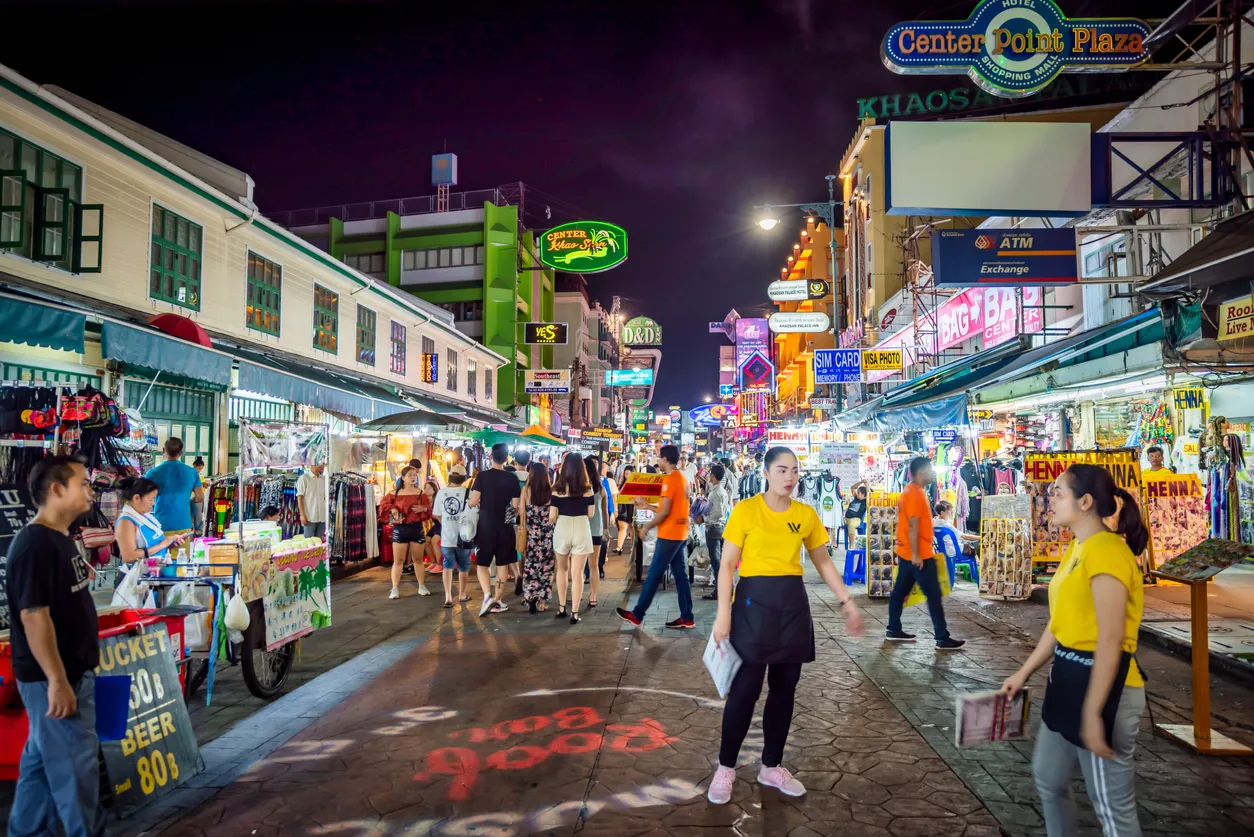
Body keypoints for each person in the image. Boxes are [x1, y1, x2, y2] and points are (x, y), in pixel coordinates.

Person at [706, 447, 864, 804]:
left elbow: (822, 562)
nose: (790, 477)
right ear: (765, 472)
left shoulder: (806, 515)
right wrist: (722, 614)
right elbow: (727, 565)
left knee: (784, 689)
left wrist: (847, 601)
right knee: (745, 690)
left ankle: (771, 766)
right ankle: (726, 768)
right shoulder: (746, 511)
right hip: (751, 605)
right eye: (782, 470)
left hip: (792, 605)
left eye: (794, 470)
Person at [1000, 464, 1150, 837]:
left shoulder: (1107, 551)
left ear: (1085, 502)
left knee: (1111, 808)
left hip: (1106, 687)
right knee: (1048, 778)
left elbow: (1111, 638)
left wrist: (1093, 710)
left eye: (1057, 493)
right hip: (1067, 678)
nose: (1049, 500)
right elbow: (1060, 623)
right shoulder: (1077, 547)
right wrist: (1024, 672)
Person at [5, 455, 106, 837]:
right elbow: (34, 616)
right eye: (83, 483)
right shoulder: (34, 545)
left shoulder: (60, 538)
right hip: (56, 679)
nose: (90, 491)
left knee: (40, 766)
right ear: (56, 489)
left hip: (70, 673)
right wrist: (57, 679)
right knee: (74, 773)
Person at [886, 457, 965, 650]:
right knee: (933, 594)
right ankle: (941, 637)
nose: (933, 472)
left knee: (899, 593)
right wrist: (916, 555)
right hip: (918, 554)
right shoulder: (915, 493)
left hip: (909, 553)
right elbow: (913, 525)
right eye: (930, 469)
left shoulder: (912, 491)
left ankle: (893, 629)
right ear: (921, 472)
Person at [616, 444, 695, 629]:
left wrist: (647, 527)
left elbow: (665, 512)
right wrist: (647, 507)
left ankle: (637, 614)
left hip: (669, 535)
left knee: (653, 575)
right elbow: (669, 509)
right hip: (680, 533)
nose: (657, 461)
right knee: (681, 577)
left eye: (659, 458)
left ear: (666, 459)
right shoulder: (682, 478)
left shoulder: (670, 480)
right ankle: (687, 616)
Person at [470, 443, 522, 615]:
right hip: (505, 527)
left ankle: (487, 596)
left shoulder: (482, 477)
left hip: (485, 526)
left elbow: (472, 501)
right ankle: (498, 601)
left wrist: (479, 502)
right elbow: (515, 506)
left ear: (490, 456)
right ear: (507, 458)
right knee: (502, 565)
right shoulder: (512, 478)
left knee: (482, 564)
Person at [549, 452, 596, 624]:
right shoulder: (588, 488)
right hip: (582, 528)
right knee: (577, 574)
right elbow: (591, 514)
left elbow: (552, 515)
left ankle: (562, 607)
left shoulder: (557, 488)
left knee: (562, 570)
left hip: (563, 527)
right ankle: (575, 613)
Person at [114, 477, 188, 581]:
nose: (153, 503)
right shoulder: (125, 522)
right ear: (136, 498)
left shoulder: (146, 517)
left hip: (151, 574)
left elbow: (153, 547)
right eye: (151, 499)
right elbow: (129, 556)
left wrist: (169, 544)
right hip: (134, 579)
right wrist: (163, 544)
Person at [380, 466, 432, 599]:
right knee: (398, 560)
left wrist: (423, 509)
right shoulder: (393, 493)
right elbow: (383, 506)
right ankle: (395, 588)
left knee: (418, 559)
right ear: (403, 478)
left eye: (415, 475)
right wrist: (392, 509)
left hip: (416, 527)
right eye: (410, 475)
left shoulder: (421, 493)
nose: (413, 477)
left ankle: (421, 586)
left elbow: (429, 510)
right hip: (400, 528)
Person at [146, 437, 203, 539]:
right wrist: (186, 501)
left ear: (164, 450)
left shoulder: (153, 473)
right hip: (184, 524)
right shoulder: (192, 472)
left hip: (161, 524)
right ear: (181, 453)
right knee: (183, 554)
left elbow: (145, 498)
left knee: (162, 554)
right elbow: (200, 497)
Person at [433, 468, 474, 607]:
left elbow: (437, 514)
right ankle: (462, 594)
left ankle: (448, 596)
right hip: (464, 536)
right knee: (464, 567)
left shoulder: (441, 492)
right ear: (464, 478)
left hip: (446, 536)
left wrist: (446, 522)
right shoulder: (469, 493)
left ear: (449, 477)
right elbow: (474, 514)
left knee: (447, 565)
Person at [520, 462, 556, 614]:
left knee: (531, 567)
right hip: (548, 536)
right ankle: (542, 601)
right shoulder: (551, 491)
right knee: (547, 568)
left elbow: (522, 513)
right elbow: (555, 515)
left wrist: (524, 526)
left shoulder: (526, 490)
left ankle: (530, 597)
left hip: (532, 536)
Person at [581, 455, 609, 606]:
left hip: (580, 529)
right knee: (594, 565)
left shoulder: (579, 488)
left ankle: (577, 596)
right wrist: (605, 528)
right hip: (596, 529)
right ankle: (593, 597)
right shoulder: (601, 489)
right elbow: (604, 511)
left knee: (578, 567)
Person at [701, 463, 730, 600]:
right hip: (719, 528)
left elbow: (717, 513)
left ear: (713, 476)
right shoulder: (720, 491)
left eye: (710, 474)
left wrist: (704, 517)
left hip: (714, 528)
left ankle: (720, 591)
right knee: (719, 562)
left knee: (716, 562)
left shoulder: (717, 493)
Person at [296, 463, 327, 539]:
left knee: (319, 541)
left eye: (323, 464)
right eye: (321, 464)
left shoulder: (323, 479)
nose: (323, 466)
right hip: (309, 516)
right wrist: (302, 515)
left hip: (322, 516)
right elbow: (300, 497)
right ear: (312, 465)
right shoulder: (304, 478)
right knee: (309, 542)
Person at [421, 479, 443, 575]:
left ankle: (440, 564)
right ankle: (433, 562)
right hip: (436, 525)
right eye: (425, 488)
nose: (427, 490)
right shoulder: (426, 502)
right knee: (426, 542)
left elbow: (438, 515)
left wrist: (426, 510)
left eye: (429, 488)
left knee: (434, 541)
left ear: (434, 490)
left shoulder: (438, 500)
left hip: (442, 524)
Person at [614, 465, 635, 554]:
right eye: (626, 474)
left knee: (632, 527)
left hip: (633, 507)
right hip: (624, 507)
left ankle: (633, 547)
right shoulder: (623, 483)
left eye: (629, 474)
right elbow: (619, 494)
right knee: (623, 527)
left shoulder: (637, 484)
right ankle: (619, 547)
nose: (627, 476)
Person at [842, 480, 869, 548]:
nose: (857, 494)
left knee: (851, 524)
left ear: (863, 494)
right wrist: (861, 482)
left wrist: (866, 484)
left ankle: (851, 544)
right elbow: (852, 488)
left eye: (859, 492)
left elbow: (869, 493)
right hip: (846, 518)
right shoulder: (856, 498)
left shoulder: (866, 501)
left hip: (856, 519)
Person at [190, 457, 206, 536]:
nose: (200, 470)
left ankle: (198, 531)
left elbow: (202, 483)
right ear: (194, 465)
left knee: (199, 515)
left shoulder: (199, 475)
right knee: (197, 515)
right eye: (199, 468)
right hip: (195, 497)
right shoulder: (192, 474)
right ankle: (197, 531)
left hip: (200, 497)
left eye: (201, 468)